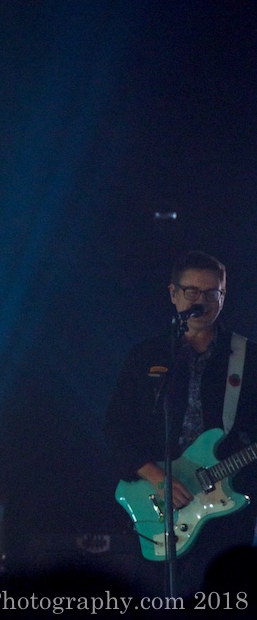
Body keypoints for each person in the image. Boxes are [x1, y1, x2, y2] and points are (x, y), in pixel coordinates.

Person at [105, 250, 257, 597]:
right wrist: (158, 477)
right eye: (192, 292)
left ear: (223, 295)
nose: (201, 301)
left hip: (229, 506)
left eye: (211, 293)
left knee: (226, 598)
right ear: (174, 294)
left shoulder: (249, 358)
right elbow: (116, 427)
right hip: (158, 502)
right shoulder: (146, 356)